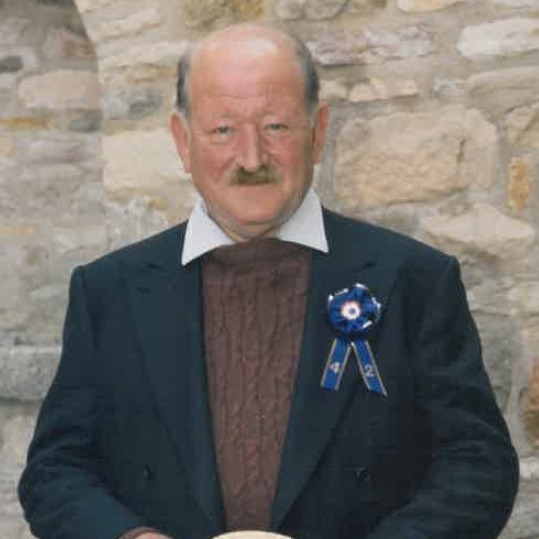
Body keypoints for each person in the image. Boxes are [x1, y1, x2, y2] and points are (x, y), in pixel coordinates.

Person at [19, 23, 518, 539]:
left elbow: (478, 465)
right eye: (222, 130)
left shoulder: (415, 280)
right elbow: (55, 472)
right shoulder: (107, 291)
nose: (251, 158)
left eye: (276, 126)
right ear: (182, 142)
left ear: (318, 132)